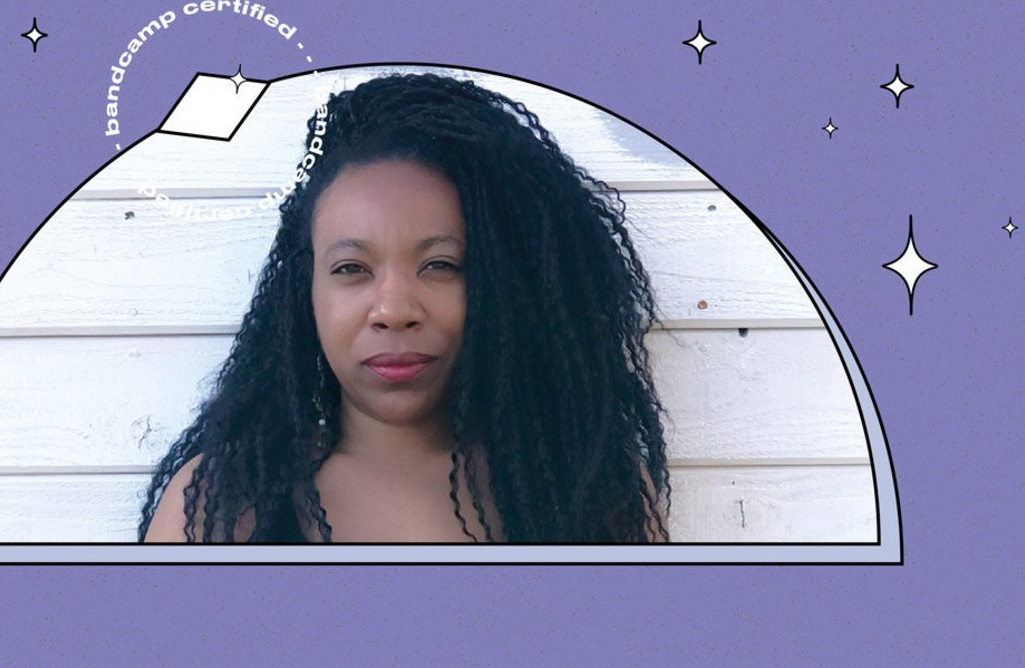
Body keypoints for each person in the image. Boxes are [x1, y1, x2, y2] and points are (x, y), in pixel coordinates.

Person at [139, 71, 670, 543]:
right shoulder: (218, 509)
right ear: (304, 295)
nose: (393, 310)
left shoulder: (594, 490)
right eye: (352, 269)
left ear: (506, 284)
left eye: (441, 265)